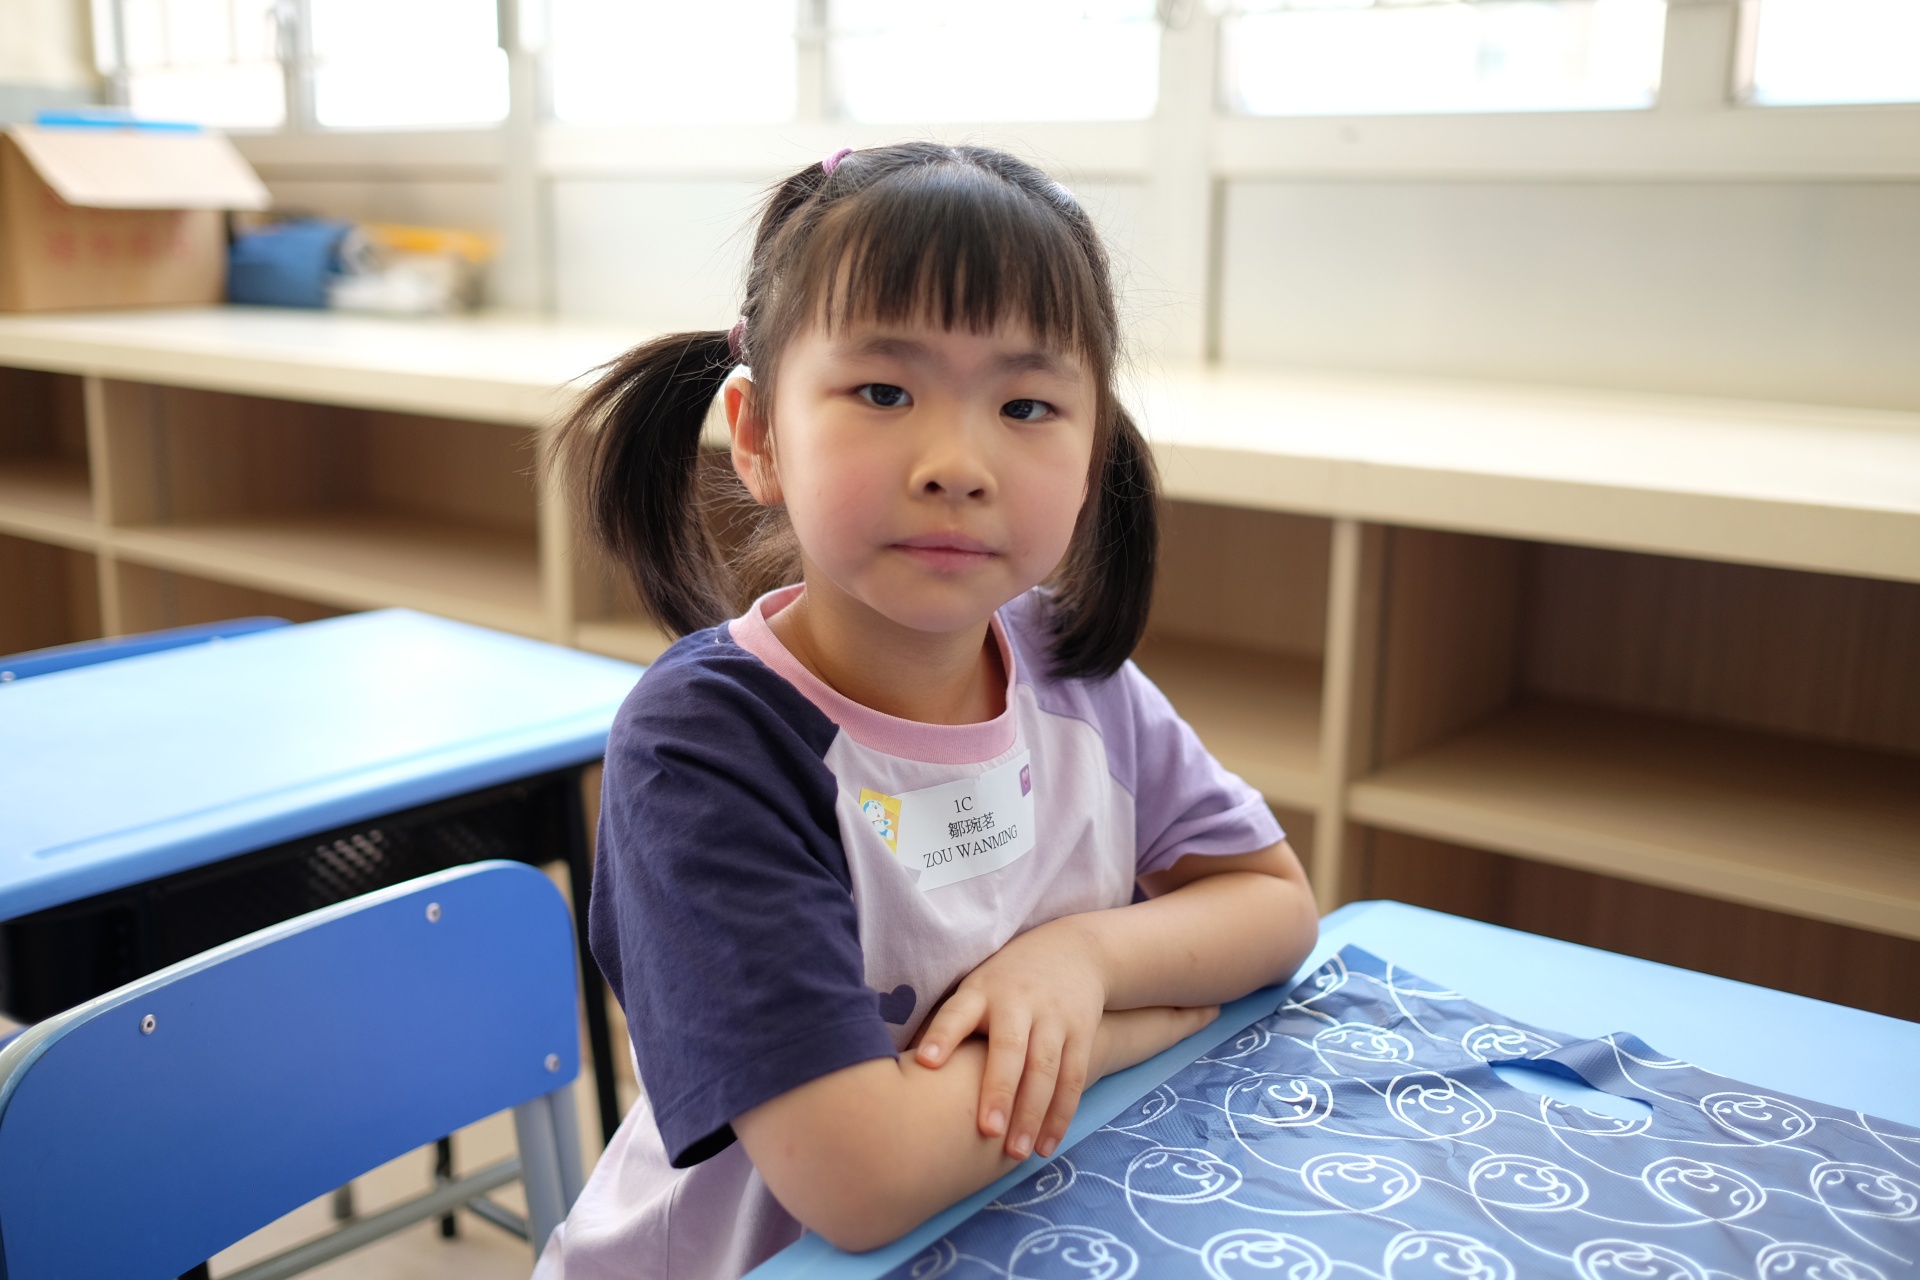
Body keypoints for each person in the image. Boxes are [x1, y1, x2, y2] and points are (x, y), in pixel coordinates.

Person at [535, 141, 1320, 1280]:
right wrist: (1126, 1031)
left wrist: (1081, 962)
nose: (958, 463)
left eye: (1027, 404)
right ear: (757, 435)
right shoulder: (707, 743)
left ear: (1093, 455)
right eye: (884, 392)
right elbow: (862, 1180)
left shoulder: (1067, 668)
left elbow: (1274, 903)